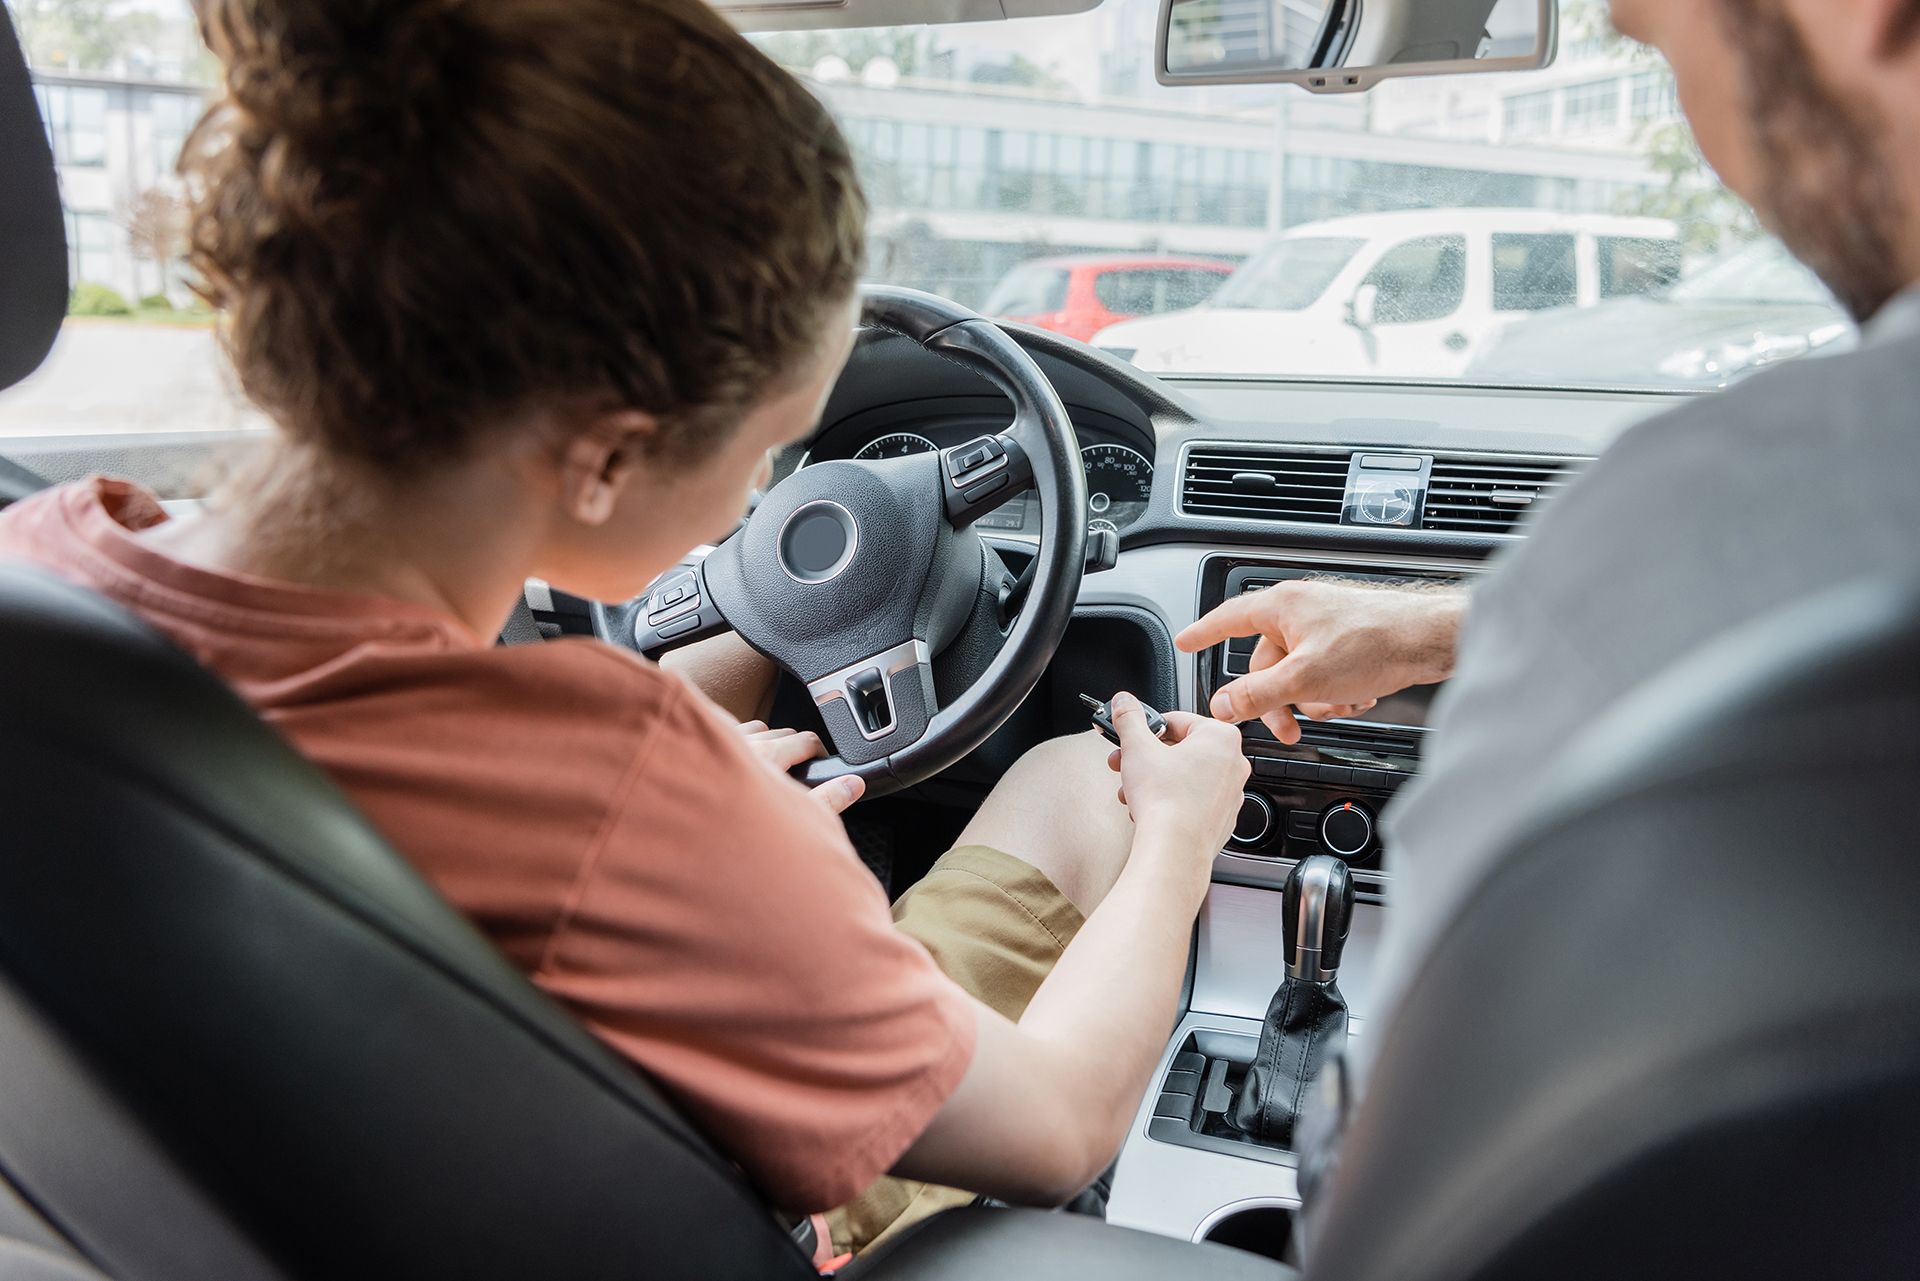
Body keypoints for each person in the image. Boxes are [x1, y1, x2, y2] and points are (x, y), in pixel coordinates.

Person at [0, 0, 1249, 1260]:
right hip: (752, 1222)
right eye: (769, 452)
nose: (772, 509)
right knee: (1083, 785)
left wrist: (714, 847)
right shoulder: (621, 785)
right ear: (604, 457)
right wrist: (1186, 834)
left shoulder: (37, 567)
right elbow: (1060, 1127)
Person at [1177, 0, 1920, 1053]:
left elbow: (1412, 1107)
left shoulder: (1710, 504)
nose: (1711, 141)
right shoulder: (1782, 523)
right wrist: (1449, 629)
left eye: (1660, 34)